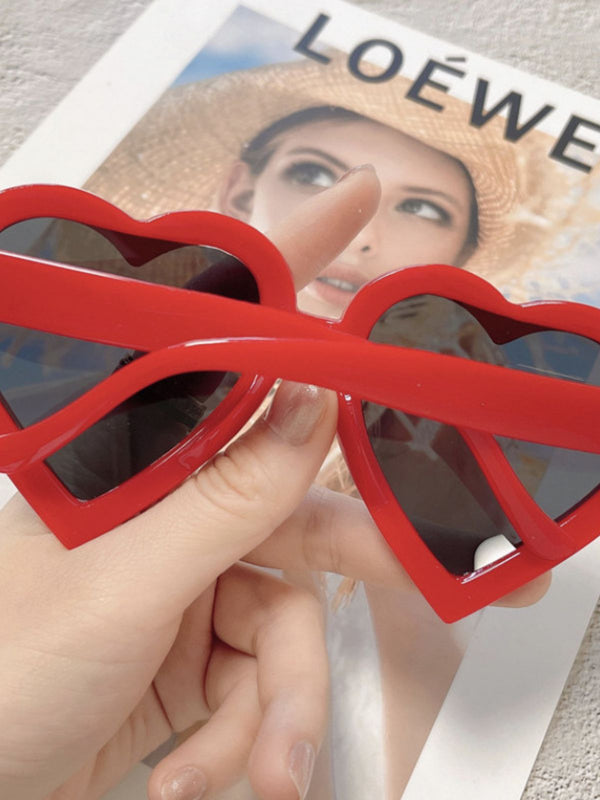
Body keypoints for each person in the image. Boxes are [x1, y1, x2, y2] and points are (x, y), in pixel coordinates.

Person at [81, 54, 577, 798]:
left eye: (424, 209)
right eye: (312, 173)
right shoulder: (101, 401)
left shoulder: (443, 484)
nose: (364, 239)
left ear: (459, 264)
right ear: (240, 189)